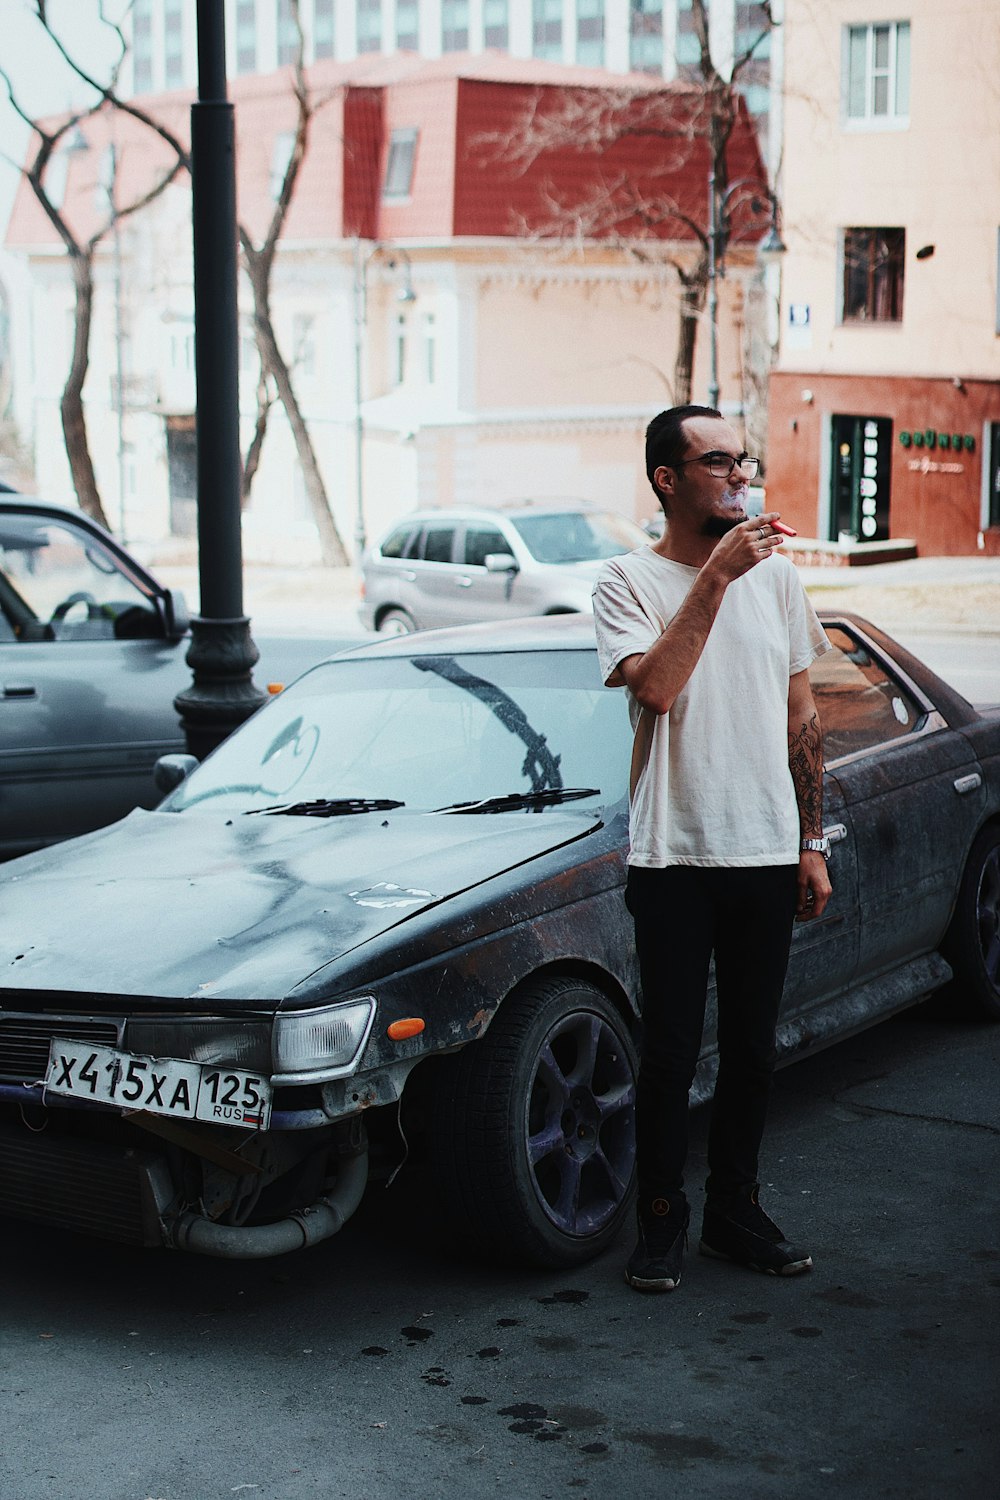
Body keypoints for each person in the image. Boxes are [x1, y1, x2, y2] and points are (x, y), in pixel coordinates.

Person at [592, 404, 833, 1293]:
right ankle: (660, 1221)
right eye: (719, 462)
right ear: (668, 479)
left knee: (754, 1051)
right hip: (674, 857)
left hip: (766, 849)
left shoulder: (777, 577)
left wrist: (811, 840)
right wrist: (718, 580)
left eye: (744, 460)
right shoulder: (624, 581)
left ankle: (736, 1211)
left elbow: (801, 718)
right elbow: (655, 689)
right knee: (668, 1055)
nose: (740, 475)